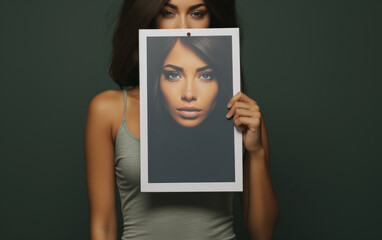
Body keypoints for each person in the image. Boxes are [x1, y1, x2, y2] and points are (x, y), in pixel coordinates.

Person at [84, 0, 280, 239]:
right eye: (168, 12)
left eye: (197, 13)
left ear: (213, 20)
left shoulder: (242, 116)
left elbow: (263, 232)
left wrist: (257, 152)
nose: (182, 26)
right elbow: (102, 226)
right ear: (148, 17)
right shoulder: (109, 110)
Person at [146, 35, 236, 183]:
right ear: (156, 80)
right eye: (173, 75)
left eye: (206, 75)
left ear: (222, 82)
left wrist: (257, 153)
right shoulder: (114, 111)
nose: (189, 94)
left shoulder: (246, 124)